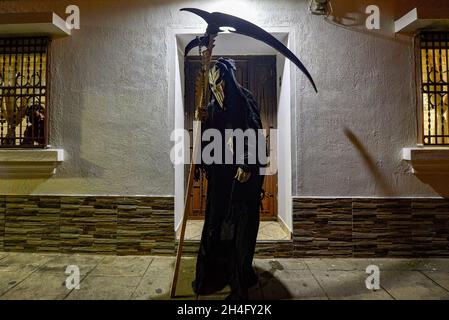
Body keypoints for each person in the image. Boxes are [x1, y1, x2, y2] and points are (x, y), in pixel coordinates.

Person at [192, 57, 265, 300]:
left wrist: (247, 162)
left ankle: (239, 278)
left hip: (243, 179)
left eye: (220, 83)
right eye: (213, 86)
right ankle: (213, 276)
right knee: (216, 223)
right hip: (221, 177)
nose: (218, 89)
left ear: (229, 80)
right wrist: (202, 121)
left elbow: (253, 131)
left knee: (241, 226)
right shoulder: (212, 107)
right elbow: (209, 138)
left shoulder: (244, 100)